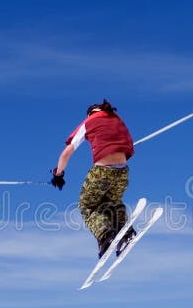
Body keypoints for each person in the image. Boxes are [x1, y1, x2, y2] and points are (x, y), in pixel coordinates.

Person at [51, 99, 136, 258]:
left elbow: (66, 153)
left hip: (102, 172)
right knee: (112, 203)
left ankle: (106, 236)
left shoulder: (89, 121)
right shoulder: (116, 119)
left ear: (90, 113)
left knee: (87, 206)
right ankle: (126, 233)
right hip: (123, 172)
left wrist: (58, 174)